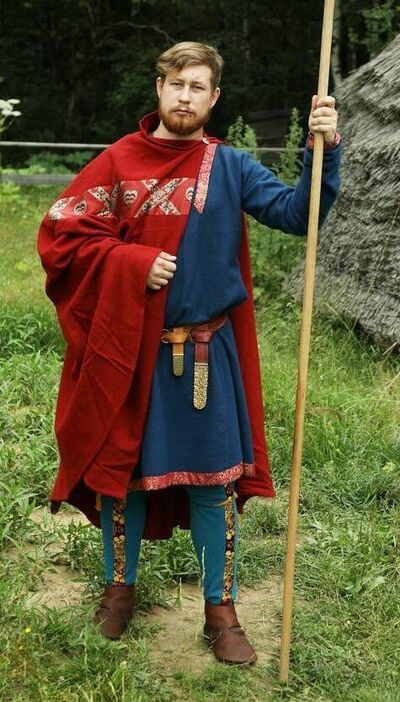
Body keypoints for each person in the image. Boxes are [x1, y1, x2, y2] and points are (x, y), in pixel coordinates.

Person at [37, 41, 340, 666]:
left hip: (206, 354)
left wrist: (323, 150)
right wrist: (132, 262)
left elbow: (296, 213)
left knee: (215, 483)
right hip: (130, 352)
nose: (184, 96)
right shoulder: (118, 163)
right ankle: (118, 591)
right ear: (159, 88)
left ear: (214, 97)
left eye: (197, 86)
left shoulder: (229, 167)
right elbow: (62, 234)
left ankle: (220, 610)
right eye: (176, 84)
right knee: (122, 478)